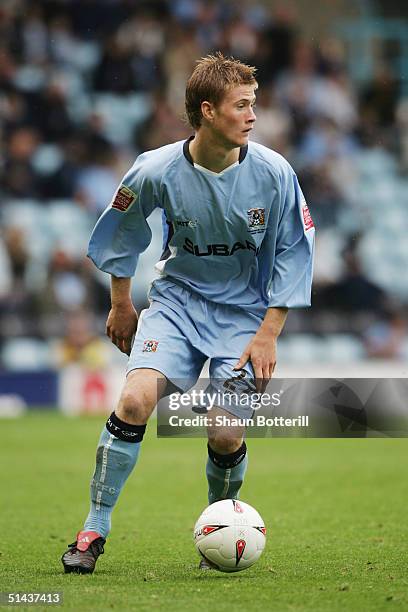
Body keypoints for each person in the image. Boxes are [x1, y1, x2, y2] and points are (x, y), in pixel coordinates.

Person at [61, 53, 315, 574]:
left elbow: (296, 249)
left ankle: (217, 526)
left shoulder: (274, 173)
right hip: (176, 304)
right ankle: (93, 529)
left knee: (224, 432)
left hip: (245, 317)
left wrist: (269, 333)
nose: (252, 115)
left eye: (254, 104)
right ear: (207, 110)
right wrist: (120, 302)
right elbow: (123, 230)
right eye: (241, 105)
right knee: (133, 400)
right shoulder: (155, 169)